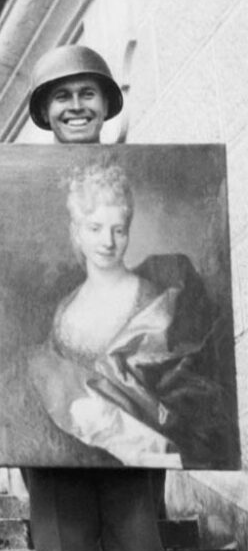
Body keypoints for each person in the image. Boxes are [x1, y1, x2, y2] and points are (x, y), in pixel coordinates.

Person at [23, 44, 192, 551]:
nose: (74, 107)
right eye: (60, 96)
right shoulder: (18, 190)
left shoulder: (139, 180)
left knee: (135, 523)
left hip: (131, 412)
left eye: (87, 93)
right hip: (57, 407)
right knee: (62, 527)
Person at [27, 160, 233, 469]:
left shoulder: (153, 299)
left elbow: (173, 393)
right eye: (95, 228)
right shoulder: (64, 308)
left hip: (140, 463)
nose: (108, 242)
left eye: (118, 230)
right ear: (77, 232)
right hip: (72, 465)